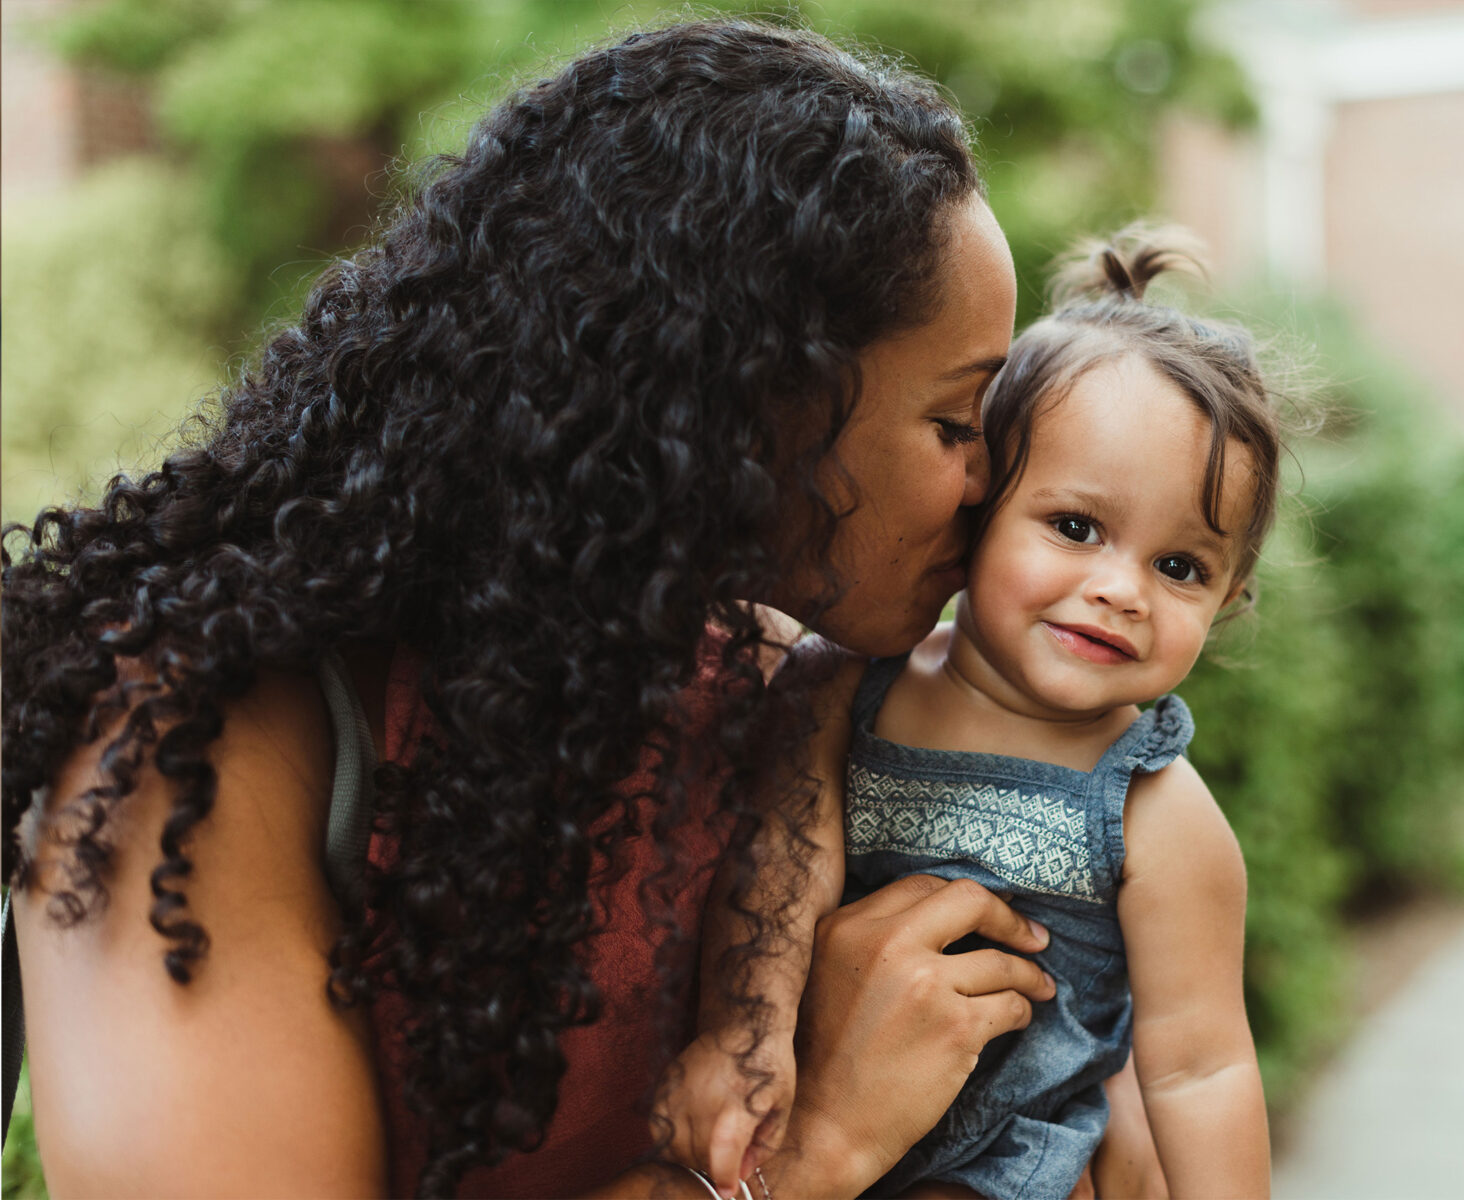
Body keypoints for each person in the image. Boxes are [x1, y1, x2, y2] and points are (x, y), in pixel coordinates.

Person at [2, 20, 1159, 1198]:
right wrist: (819, 1151)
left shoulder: (767, 689)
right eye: (960, 425)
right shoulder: (194, 748)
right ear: (748, 400)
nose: (996, 490)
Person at [657, 228, 1277, 1199]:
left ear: (1229, 597)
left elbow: (1202, 1067)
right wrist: (745, 1036)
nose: (1122, 589)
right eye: (1076, 528)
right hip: (810, 1135)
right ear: (981, 507)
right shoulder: (844, 683)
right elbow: (782, 856)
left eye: (1180, 566)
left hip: (1011, 1173)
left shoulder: (1155, 808)